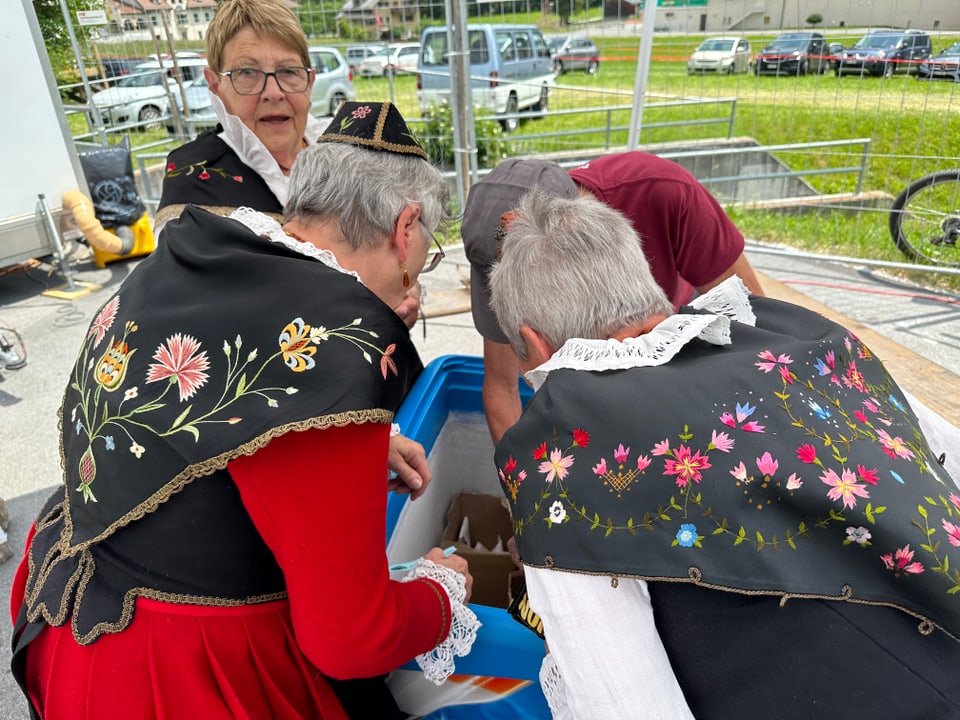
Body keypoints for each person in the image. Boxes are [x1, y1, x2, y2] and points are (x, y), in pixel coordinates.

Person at [9, 102, 479, 720]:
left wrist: (353, 441)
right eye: (425, 261)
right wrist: (440, 592)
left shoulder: (198, 251)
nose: (415, 284)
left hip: (74, 609)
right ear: (405, 228)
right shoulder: (337, 343)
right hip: (182, 669)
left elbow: (208, 418)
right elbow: (350, 638)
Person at [488, 190, 960, 719]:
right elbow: (943, 459)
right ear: (646, 287)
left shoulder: (563, 457)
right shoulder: (796, 334)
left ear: (537, 344)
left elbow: (622, 703)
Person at [462, 155, 765, 443]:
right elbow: (502, 387)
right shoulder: (498, 269)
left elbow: (753, 322)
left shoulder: (665, 192)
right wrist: (521, 485)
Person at [155, 0, 421, 328]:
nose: (273, 92)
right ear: (215, 85)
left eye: (288, 72)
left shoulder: (346, 150)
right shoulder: (194, 177)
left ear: (309, 82)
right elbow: (208, 316)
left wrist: (405, 289)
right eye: (247, 74)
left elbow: (396, 250)